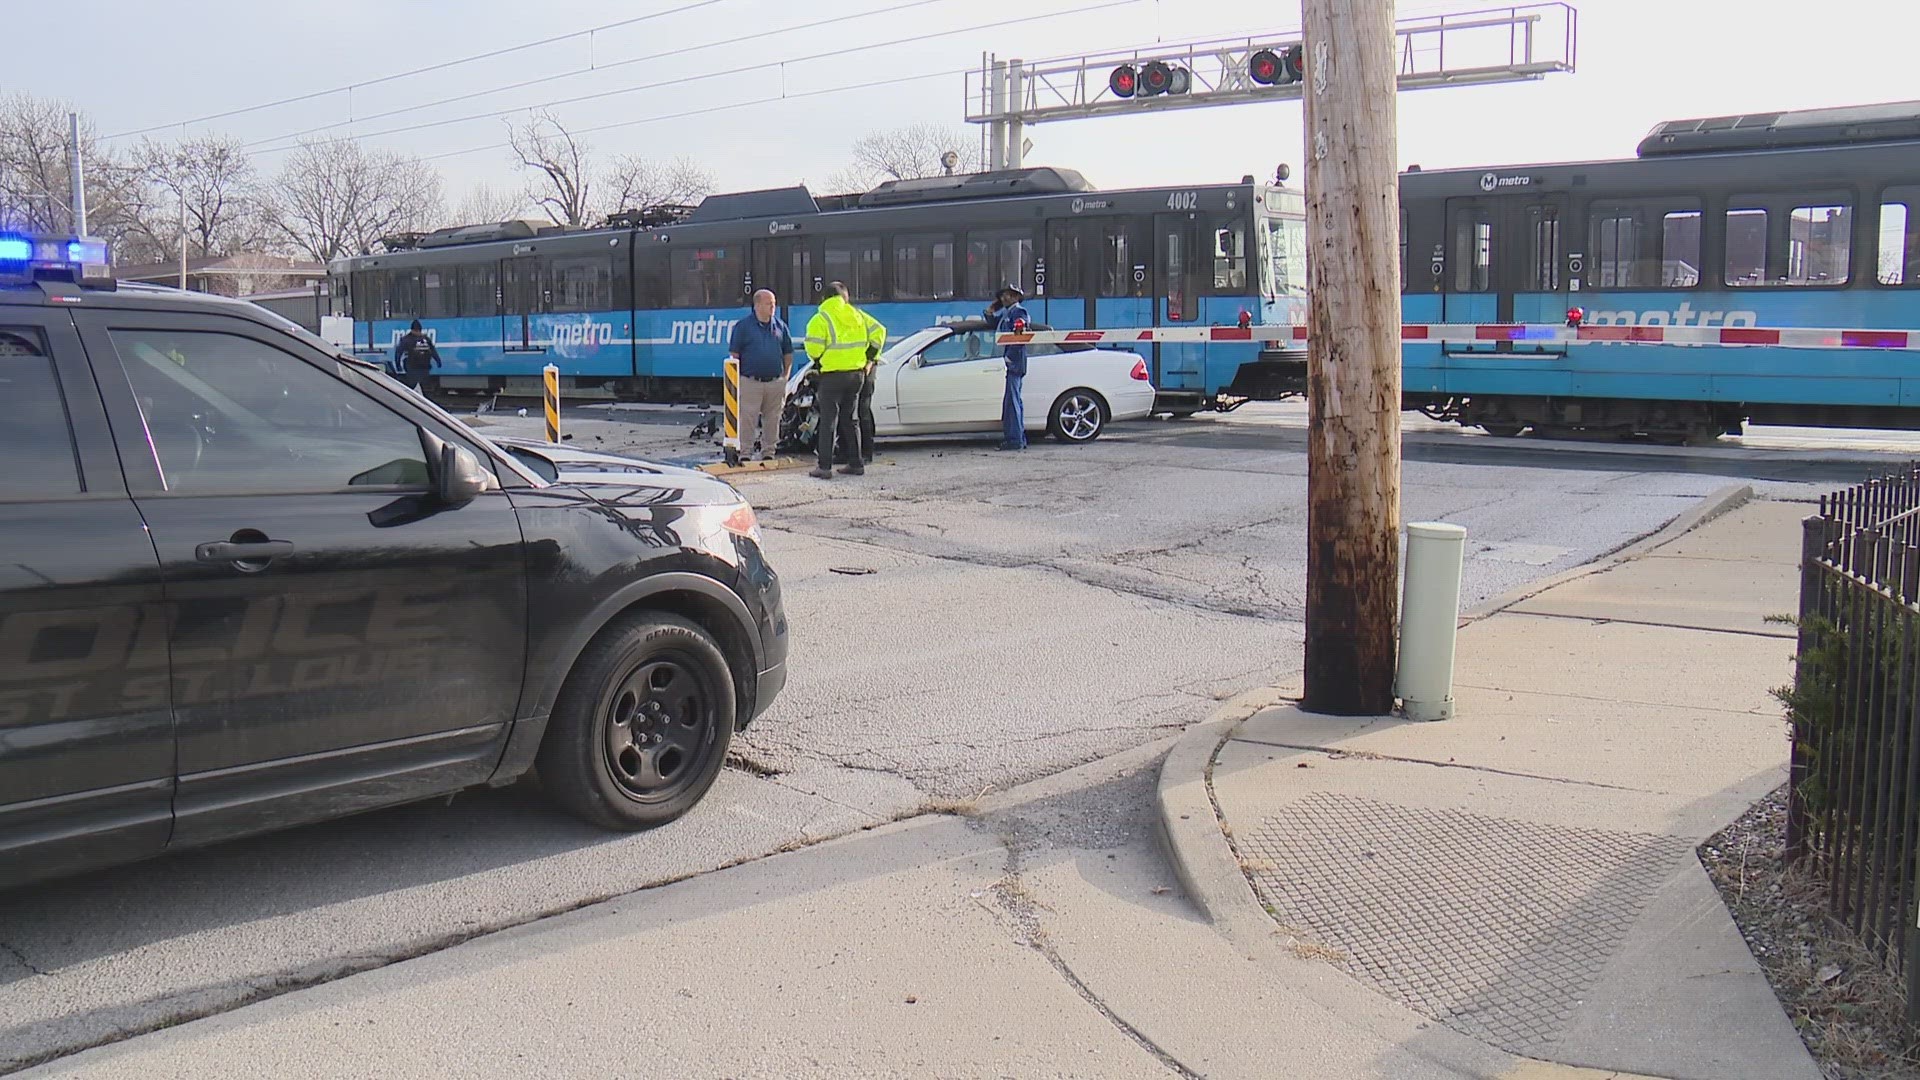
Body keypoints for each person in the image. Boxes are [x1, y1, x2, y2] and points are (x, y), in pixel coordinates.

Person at [803, 282, 884, 479]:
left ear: (825, 298)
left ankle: (824, 467)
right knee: (851, 419)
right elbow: (879, 332)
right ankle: (856, 463)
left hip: (832, 375)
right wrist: (869, 357)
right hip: (856, 375)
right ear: (844, 297)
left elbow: (813, 349)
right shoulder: (858, 314)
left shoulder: (821, 318)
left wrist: (820, 361)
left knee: (829, 420)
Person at [728, 289, 794, 461]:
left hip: (775, 382)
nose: (773, 306)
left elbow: (788, 352)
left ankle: (768, 453)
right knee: (748, 418)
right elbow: (734, 354)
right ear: (757, 306)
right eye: (768, 303)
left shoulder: (780, 326)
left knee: (773, 419)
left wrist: (785, 377)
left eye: (773, 303)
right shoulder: (743, 327)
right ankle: (745, 454)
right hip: (750, 382)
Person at [985, 283, 1030, 450]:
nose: (1005, 298)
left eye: (1009, 295)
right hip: (1011, 364)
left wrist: (1009, 358)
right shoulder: (1006, 313)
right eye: (1003, 295)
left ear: (1017, 297)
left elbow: (1020, 333)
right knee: (1013, 401)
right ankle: (1018, 438)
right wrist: (991, 308)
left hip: (1014, 364)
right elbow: (992, 322)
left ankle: (1015, 441)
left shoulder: (1019, 312)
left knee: (1012, 403)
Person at [391, 319, 442, 393]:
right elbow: (398, 353)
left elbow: (432, 350)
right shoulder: (411, 339)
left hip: (421, 367)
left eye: (419, 331)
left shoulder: (410, 339)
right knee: (413, 386)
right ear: (413, 330)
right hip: (415, 367)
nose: (418, 333)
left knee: (420, 387)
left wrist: (438, 360)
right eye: (417, 331)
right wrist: (398, 365)